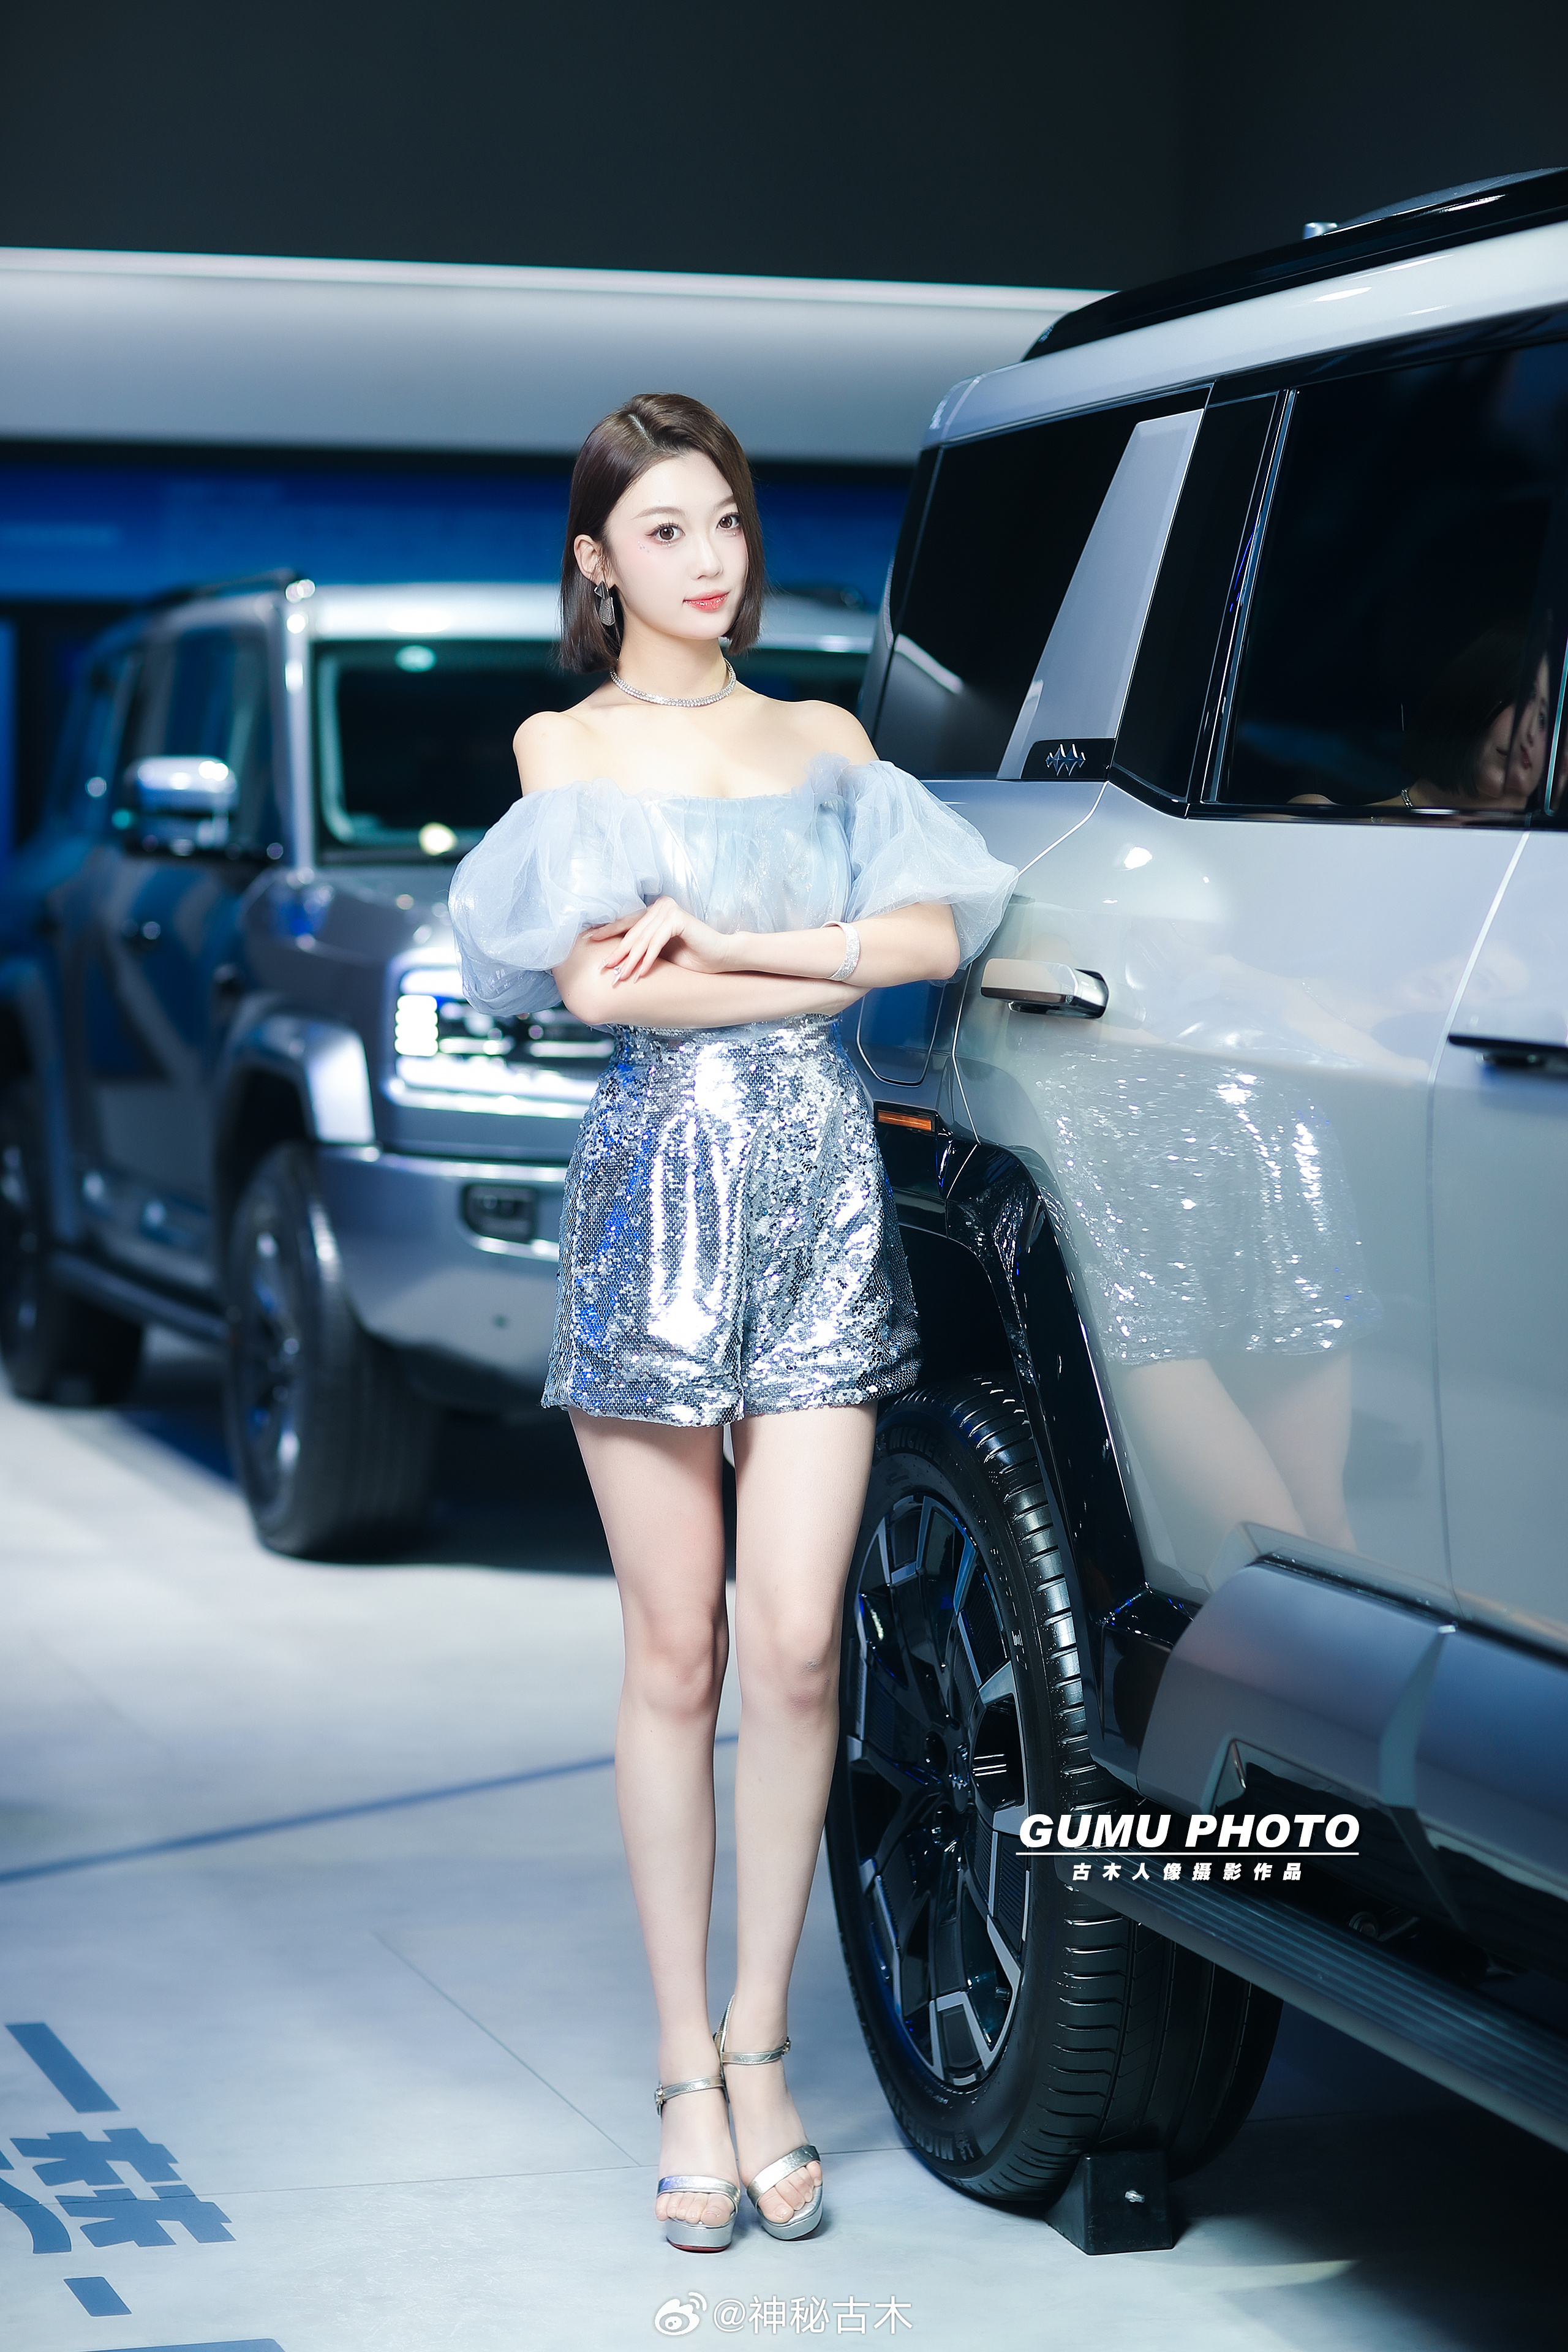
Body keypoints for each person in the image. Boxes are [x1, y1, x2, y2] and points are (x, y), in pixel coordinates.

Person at [447, 394, 1016, 2252]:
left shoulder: (826, 738)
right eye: (668, 531)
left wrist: (736, 949)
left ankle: (764, 2043)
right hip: (656, 1208)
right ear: (598, 562)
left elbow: (935, 939)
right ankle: (682, 2066)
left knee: (794, 1649)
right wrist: (812, 964)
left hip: (823, 1202)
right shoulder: (568, 745)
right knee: (673, 1653)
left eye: (729, 524)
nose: (711, 561)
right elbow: (610, 1000)